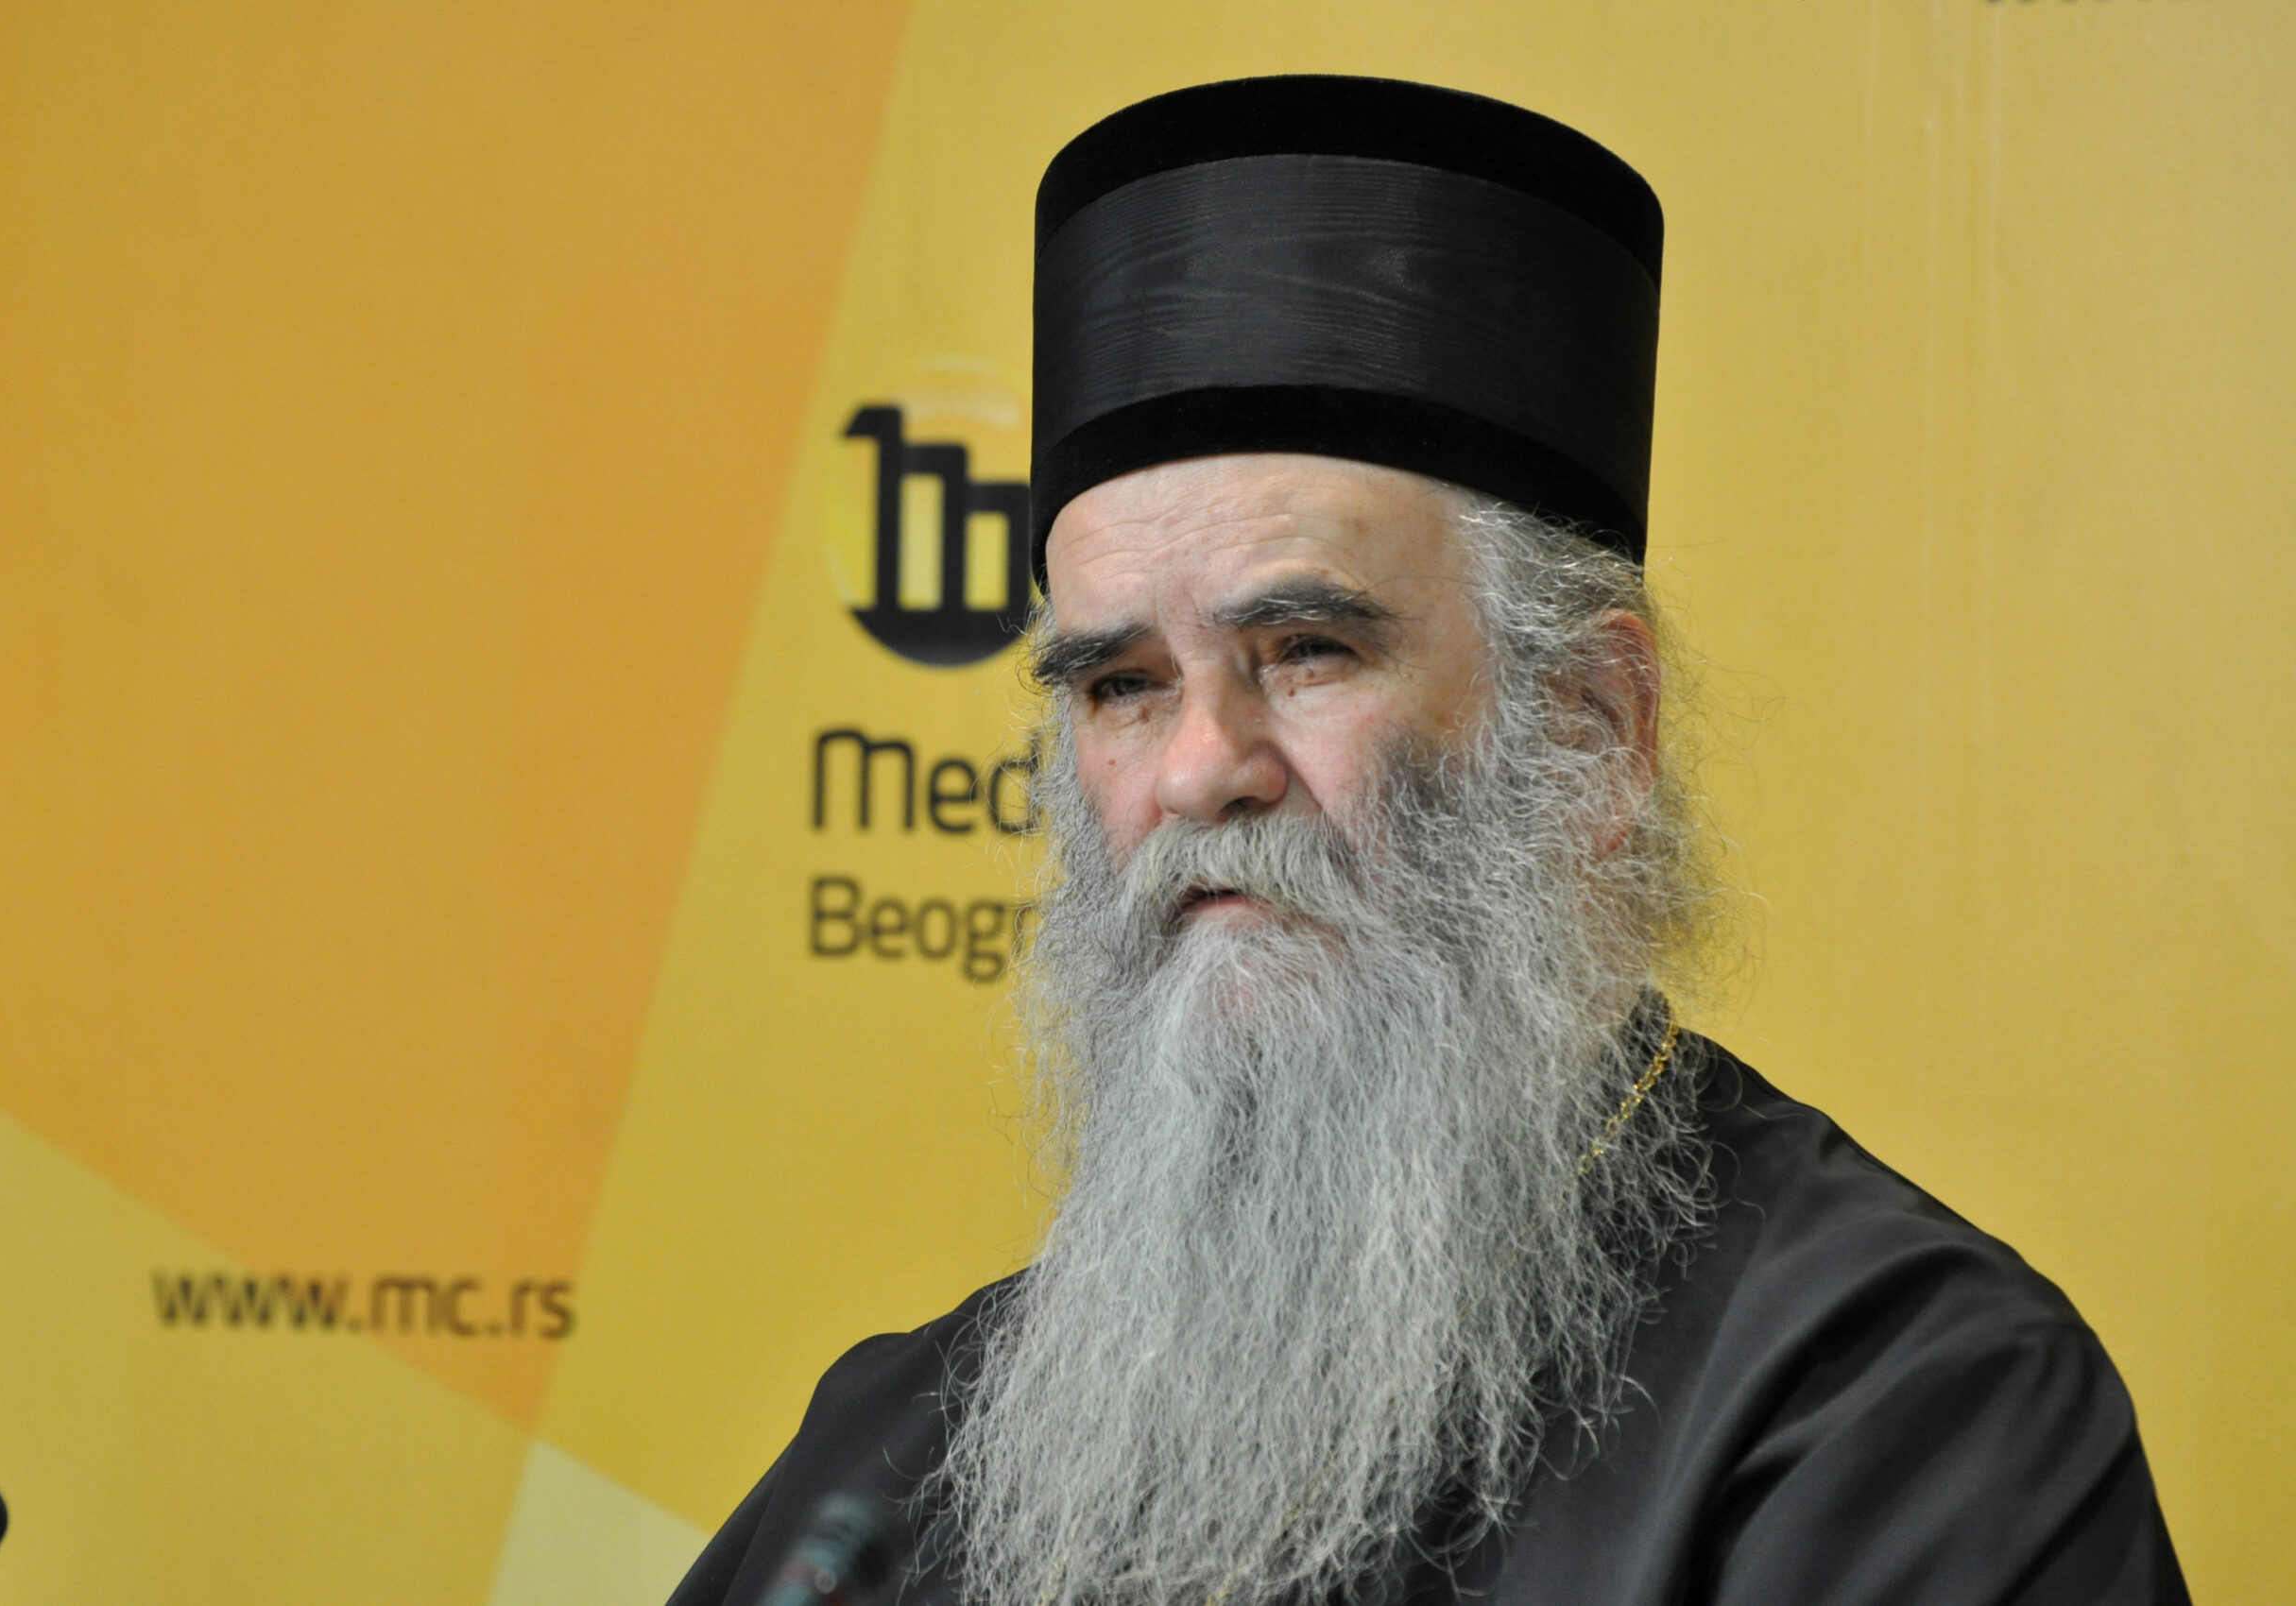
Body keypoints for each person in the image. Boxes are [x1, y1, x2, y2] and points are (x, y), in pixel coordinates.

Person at [670, 76, 2186, 1606]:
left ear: (1590, 726)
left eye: (1307, 651)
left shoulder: (1903, 1409)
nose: (1199, 770)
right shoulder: (892, 1462)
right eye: (1123, 686)